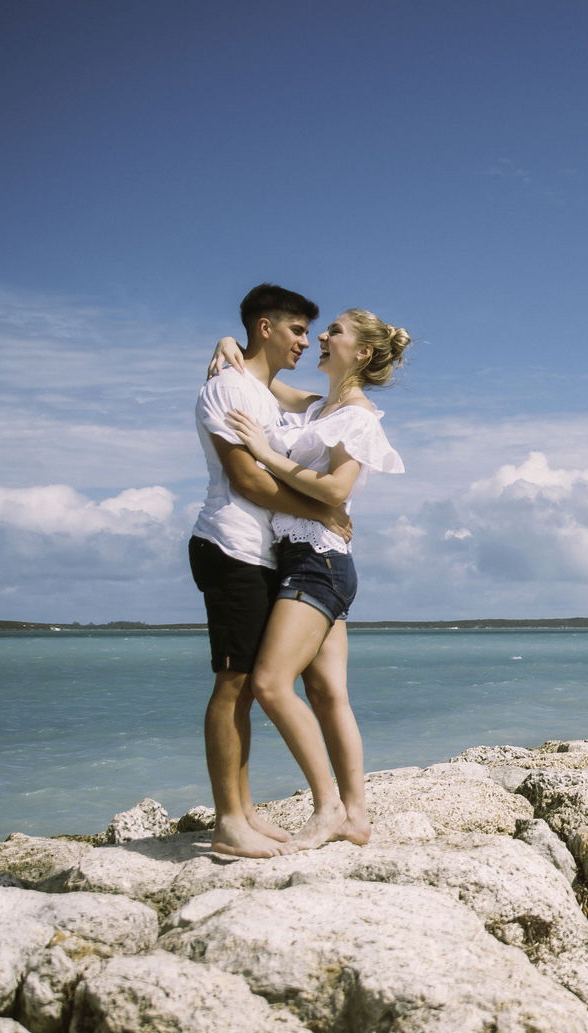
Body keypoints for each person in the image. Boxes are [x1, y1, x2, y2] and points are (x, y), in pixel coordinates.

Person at [222, 308, 408, 851]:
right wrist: (227, 342)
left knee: (269, 684)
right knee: (328, 695)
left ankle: (327, 808)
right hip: (314, 559)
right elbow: (264, 378)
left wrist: (262, 453)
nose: (322, 337)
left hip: (316, 562)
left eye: (336, 332)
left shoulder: (357, 418)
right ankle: (356, 817)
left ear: (363, 353)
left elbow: (334, 490)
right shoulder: (318, 406)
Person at [189, 284, 349, 859]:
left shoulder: (261, 389)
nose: (307, 341)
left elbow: (332, 398)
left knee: (248, 689)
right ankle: (229, 820)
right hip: (229, 545)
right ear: (266, 328)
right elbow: (247, 480)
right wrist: (325, 511)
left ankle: (245, 810)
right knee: (233, 683)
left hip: (263, 553)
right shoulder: (227, 389)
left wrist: (225, 339)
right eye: (297, 330)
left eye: (311, 332)